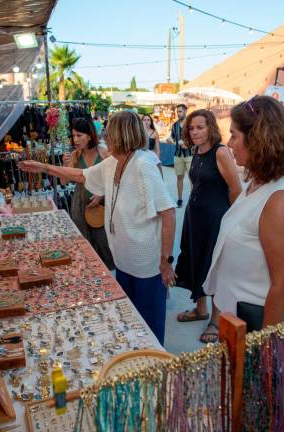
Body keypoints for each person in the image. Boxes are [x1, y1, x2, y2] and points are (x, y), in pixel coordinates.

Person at [19, 111, 176, 344]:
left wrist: (166, 261)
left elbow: (168, 213)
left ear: (122, 135)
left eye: (109, 132)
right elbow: (81, 175)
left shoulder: (144, 165)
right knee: (131, 322)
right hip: (124, 260)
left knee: (149, 329)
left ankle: (153, 368)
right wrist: (45, 168)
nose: (104, 136)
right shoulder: (113, 163)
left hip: (146, 265)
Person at [203, 95, 284, 333]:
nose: (229, 144)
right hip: (236, 315)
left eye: (235, 135)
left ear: (258, 141)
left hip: (258, 320)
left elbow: (283, 284)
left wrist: (265, 346)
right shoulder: (258, 182)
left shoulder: (281, 200)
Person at [174, 109, 242, 343]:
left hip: (216, 219)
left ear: (211, 128)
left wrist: (231, 220)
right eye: (191, 128)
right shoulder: (197, 151)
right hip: (195, 217)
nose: (195, 132)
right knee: (196, 261)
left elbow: (236, 189)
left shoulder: (220, 152)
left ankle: (215, 318)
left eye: (200, 127)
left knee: (214, 267)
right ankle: (200, 309)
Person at [61, 118, 115, 269]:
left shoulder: (104, 152)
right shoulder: (75, 155)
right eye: (73, 136)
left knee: (105, 243)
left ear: (89, 136)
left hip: (102, 204)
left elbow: (115, 179)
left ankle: (109, 278)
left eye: (79, 135)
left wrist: (102, 194)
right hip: (80, 202)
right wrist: (66, 165)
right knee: (84, 243)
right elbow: (64, 182)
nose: (75, 139)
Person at [168, 104, 191, 207]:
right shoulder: (175, 125)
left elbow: (196, 138)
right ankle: (180, 199)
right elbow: (172, 137)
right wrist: (170, 140)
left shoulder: (191, 124)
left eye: (180, 111)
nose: (178, 113)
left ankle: (193, 199)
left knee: (193, 178)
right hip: (178, 155)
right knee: (179, 178)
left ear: (185, 111)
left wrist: (188, 145)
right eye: (177, 112)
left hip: (189, 154)